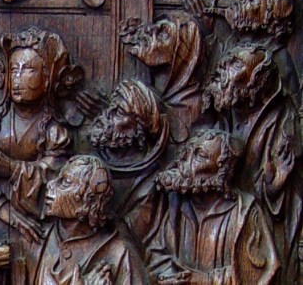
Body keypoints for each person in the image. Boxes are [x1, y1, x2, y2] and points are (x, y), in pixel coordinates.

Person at [0, 27, 77, 283]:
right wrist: (5, 212)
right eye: (14, 70)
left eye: (29, 70)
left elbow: (58, 183)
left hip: (40, 234)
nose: (19, 78)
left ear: (47, 78)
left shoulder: (55, 134)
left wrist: (10, 169)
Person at [203, 44, 302, 282]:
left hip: (258, 224)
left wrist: (274, 186)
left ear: (256, 82)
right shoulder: (231, 110)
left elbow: (285, 187)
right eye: (226, 64)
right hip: (222, 219)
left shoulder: (282, 122)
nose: (223, 73)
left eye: (235, 66)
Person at [148, 129, 279, 284]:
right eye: (187, 152)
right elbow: (155, 255)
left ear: (221, 171)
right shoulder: (177, 205)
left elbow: (259, 271)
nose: (185, 160)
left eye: (200, 155)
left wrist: (206, 280)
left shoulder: (244, 212)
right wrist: (170, 274)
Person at [36, 155, 148, 285]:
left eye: (66, 182)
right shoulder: (37, 238)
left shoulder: (119, 254)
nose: (50, 184)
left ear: (89, 200)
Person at [88, 79, 168, 244]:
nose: (107, 116)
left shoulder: (148, 185)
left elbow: (131, 238)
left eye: (119, 112)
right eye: (110, 107)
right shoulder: (90, 163)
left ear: (139, 128)